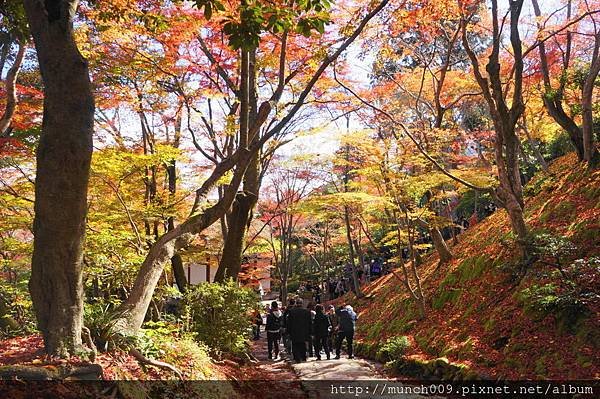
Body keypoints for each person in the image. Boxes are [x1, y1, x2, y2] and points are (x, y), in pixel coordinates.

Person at [286, 298, 311, 363]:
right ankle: (303, 357)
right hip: (304, 331)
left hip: (294, 331)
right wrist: (310, 332)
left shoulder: (291, 311)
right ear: (302, 303)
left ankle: (297, 358)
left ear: (296, 303)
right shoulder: (306, 312)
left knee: (295, 345)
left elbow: (289, 323)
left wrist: (288, 331)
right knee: (302, 344)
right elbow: (309, 323)